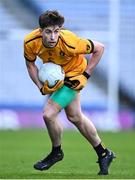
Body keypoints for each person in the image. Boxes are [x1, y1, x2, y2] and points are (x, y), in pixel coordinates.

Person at [24, 10, 116, 175]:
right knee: (75, 117)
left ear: (60, 30)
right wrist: (40, 87)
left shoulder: (70, 42)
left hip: (74, 76)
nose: (53, 36)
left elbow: (100, 48)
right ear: (40, 31)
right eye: (48, 32)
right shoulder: (31, 41)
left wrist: (86, 75)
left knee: (48, 114)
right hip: (57, 75)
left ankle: (56, 152)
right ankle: (104, 153)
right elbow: (30, 65)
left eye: (56, 31)